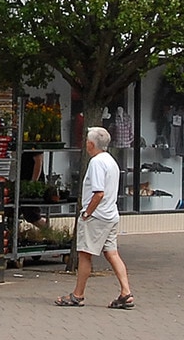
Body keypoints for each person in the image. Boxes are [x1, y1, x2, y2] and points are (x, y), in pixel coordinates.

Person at [57, 125, 135, 309]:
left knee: (84, 255)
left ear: (91, 144)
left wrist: (86, 213)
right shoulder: (111, 161)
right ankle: (126, 292)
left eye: (87, 141)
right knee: (112, 253)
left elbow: (98, 193)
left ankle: (78, 295)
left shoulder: (96, 163)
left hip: (97, 217)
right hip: (111, 215)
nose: (85, 144)